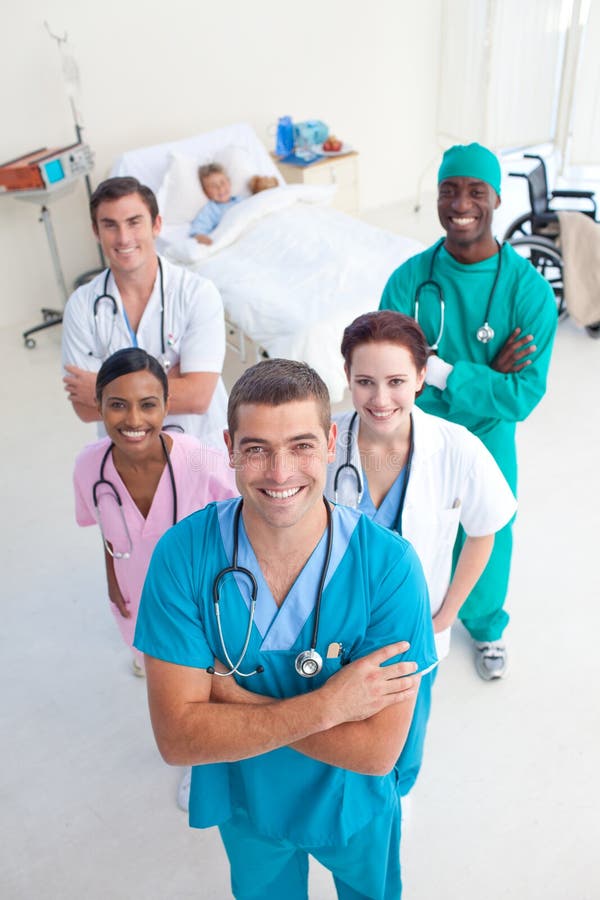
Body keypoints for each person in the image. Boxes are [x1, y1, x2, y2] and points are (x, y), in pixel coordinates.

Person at [134, 358, 437, 899]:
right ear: (229, 447)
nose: (279, 473)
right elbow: (178, 738)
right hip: (247, 801)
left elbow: (375, 752)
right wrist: (330, 705)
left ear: (330, 443)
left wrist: (232, 699)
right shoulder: (183, 556)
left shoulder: (388, 567)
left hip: (354, 801)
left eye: (301, 446)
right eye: (256, 448)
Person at [380, 142, 558, 679]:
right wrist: (482, 376)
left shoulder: (529, 292)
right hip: (419, 432)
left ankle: (485, 628)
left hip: (490, 438)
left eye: (476, 191)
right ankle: (409, 619)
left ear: (497, 198)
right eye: (449, 190)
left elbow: (521, 396)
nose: (461, 204)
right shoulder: (408, 281)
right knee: (409, 528)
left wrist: (438, 372)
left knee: (489, 533)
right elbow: (390, 377)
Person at [325, 310, 517, 795]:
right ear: (347, 376)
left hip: (414, 631)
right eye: (365, 382)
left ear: (420, 378)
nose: (380, 399)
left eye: (395, 381)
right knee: (333, 735)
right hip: (332, 624)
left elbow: (486, 530)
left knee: (402, 744)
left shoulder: (456, 447)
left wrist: (445, 615)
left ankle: (396, 796)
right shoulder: (321, 442)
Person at [73, 347, 237, 676]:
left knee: (202, 669)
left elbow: (240, 521)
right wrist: (113, 582)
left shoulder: (199, 459)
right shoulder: (89, 466)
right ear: (99, 405)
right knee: (151, 659)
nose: (134, 420)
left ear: (166, 405)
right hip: (134, 590)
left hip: (200, 593)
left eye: (147, 404)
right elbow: (107, 529)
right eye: (117, 405)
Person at [62, 176, 228, 449]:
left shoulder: (197, 294)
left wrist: (103, 389)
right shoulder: (82, 306)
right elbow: (84, 409)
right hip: (127, 457)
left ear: (156, 225)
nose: (123, 237)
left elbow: (198, 397)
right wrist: (172, 383)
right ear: (96, 232)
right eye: (110, 225)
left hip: (200, 449)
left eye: (134, 222)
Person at [190, 163, 278, 245]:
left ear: (229, 183)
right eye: (213, 186)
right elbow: (199, 228)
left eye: (222, 182)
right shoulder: (211, 209)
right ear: (205, 192)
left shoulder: (240, 199)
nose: (220, 188)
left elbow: (254, 208)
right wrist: (200, 237)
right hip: (236, 238)